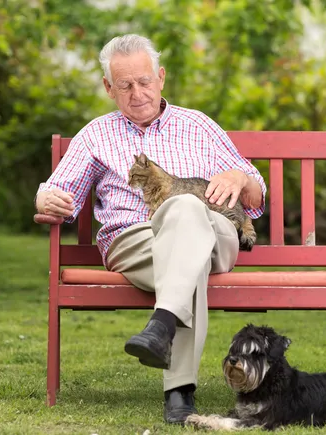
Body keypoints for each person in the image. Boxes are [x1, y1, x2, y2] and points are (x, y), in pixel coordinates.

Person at [34, 34, 266, 424]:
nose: (136, 92)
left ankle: (161, 327)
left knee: (187, 208)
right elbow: (58, 195)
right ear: (109, 87)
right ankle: (179, 393)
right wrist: (45, 200)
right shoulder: (96, 134)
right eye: (124, 85)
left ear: (160, 78)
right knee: (186, 257)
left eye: (144, 81)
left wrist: (240, 176)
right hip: (135, 242)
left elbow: (257, 200)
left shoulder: (199, 125)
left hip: (215, 235)